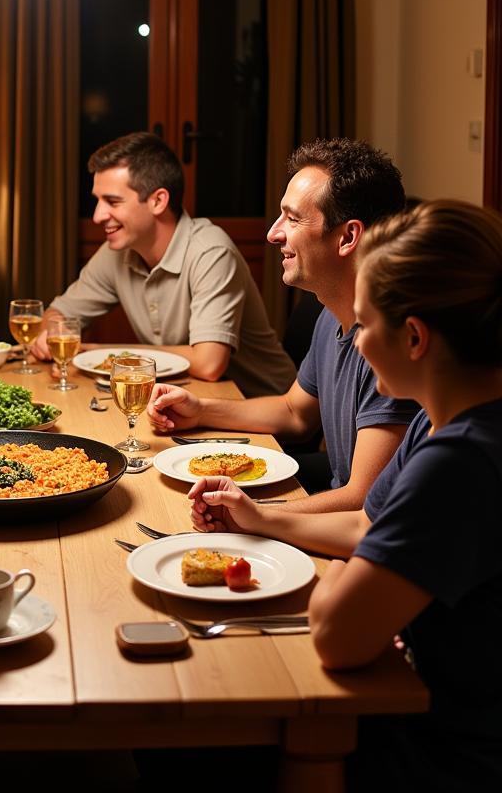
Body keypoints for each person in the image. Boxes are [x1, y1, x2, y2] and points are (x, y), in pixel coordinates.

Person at [187, 200, 502, 788]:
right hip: (415, 692)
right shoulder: (441, 419)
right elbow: (364, 527)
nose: (353, 342)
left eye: (363, 325)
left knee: (197, 744)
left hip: (443, 744)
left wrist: (341, 581)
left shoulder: (460, 462)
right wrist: (258, 518)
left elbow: (335, 636)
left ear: (413, 337)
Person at [148, 138, 418, 511]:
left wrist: (253, 514)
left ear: (348, 237)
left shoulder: (389, 344)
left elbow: (361, 502)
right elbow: (295, 413)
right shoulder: (330, 315)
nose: (273, 234)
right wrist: (201, 409)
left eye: (292, 218)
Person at [29, 132, 295, 399]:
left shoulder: (211, 252)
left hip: (264, 411)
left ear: (158, 201)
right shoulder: (117, 252)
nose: (98, 216)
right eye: (97, 201)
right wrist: (52, 332)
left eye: (112, 201)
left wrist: (108, 355)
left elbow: (209, 363)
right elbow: (57, 312)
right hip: (188, 403)